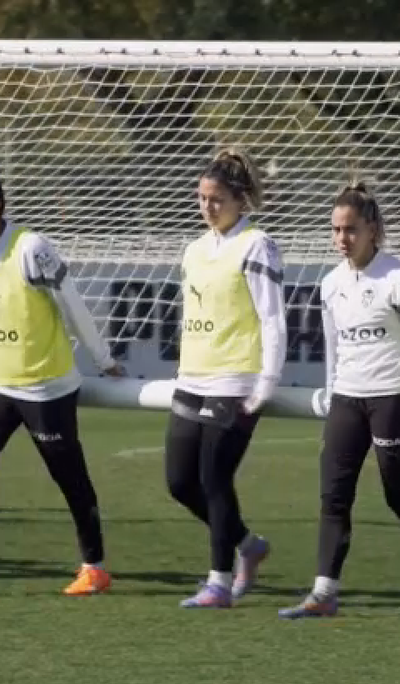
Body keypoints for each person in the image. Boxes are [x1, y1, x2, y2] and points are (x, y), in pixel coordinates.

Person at [0, 156, 124, 597]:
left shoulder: (32, 248)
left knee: (69, 477)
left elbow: (72, 305)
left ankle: (94, 567)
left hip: (45, 388)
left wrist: (103, 358)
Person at [279, 182, 400, 618]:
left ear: (372, 229)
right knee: (333, 495)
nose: (341, 239)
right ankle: (323, 592)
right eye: (335, 229)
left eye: (350, 229)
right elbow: (334, 348)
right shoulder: (331, 284)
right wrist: (334, 397)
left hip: (394, 397)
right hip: (348, 401)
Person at [167, 147, 288, 608]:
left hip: (235, 380)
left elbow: (273, 319)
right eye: (201, 197)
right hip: (192, 377)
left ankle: (218, 582)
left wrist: (265, 384)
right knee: (180, 482)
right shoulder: (195, 249)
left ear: (240, 200)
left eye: (216, 198)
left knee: (215, 477)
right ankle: (248, 544)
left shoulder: (257, 244)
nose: (207, 206)